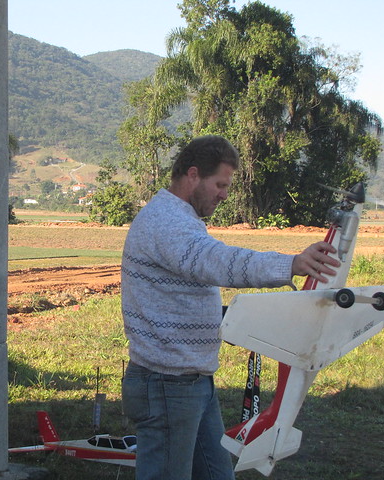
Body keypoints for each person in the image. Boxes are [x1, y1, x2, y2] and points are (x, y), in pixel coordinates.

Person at [120, 135, 339, 480]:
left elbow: (185, 288)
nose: (224, 194)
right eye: (220, 184)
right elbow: (216, 261)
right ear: (193, 175)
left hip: (191, 380)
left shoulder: (181, 219)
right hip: (168, 384)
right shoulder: (165, 221)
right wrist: (290, 264)